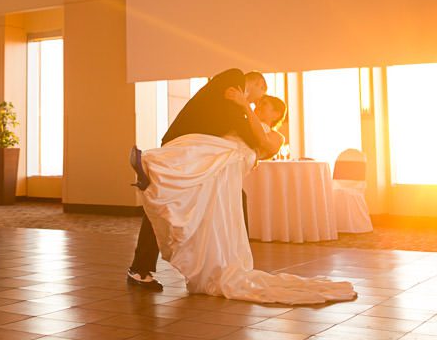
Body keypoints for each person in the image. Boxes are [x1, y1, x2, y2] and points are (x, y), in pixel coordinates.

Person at [137, 79, 356, 304]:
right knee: (196, 158)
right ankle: (154, 169)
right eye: (258, 104)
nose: (258, 106)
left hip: (230, 162)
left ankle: (155, 170)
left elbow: (263, 143)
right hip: (220, 159)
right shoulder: (242, 121)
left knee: (204, 182)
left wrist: (244, 106)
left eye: (264, 105)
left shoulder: (276, 136)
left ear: (276, 114)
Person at [128, 68, 267, 290]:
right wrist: (244, 107)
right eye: (257, 98)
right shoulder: (233, 82)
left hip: (189, 152)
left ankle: (215, 262)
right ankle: (153, 165)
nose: (253, 102)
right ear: (259, 84)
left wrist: (244, 109)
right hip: (187, 151)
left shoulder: (228, 98)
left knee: (166, 203)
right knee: (167, 204)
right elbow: (257, 140)